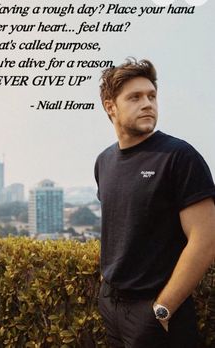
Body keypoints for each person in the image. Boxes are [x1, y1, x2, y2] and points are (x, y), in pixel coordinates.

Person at [94, 58, 215, 348]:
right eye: (135, 97)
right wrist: (105, 293)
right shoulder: (104, 162)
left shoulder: (179, 157)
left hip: (158, 310)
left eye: (151, 96)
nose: (147, 103)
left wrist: (163, 308)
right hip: (112, 305)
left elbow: (206, 239)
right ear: (111, 107)